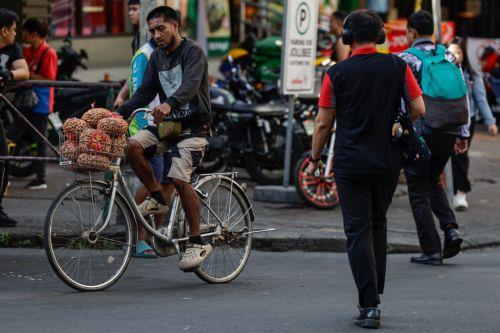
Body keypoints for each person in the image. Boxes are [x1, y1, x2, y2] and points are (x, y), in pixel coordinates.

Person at [306, 10, 424, 329]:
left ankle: (369, 304)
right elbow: (418, 108)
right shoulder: (398, 66)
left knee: (357, 230)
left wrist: (316, 158)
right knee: (378, 223)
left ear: (347, 37)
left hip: (350, 163)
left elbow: (322, 123)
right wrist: (400, 128)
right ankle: (376, 290)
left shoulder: (336, 73)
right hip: (388, 161)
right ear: (381, 36)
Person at [116, 6, 212, 270]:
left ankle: (196, 242)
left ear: (176, 26)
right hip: (170, 127)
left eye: (161, 28)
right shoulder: (157, 57)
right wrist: (116, 114)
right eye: (153, 30)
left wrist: (170, 104)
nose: (156, 35)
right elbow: (143, 93)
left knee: (180, 176)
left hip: (194, 127)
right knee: (133, 146)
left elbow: (190, 85)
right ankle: (158, 200)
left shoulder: (193, 52)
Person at [399, 10, 469, 266]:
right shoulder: (449, 56)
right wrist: (463, 132)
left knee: (418, 190)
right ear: (433, 33)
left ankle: (431, 250)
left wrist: (399, 131)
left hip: (421, 133)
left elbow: (401, 101)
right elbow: (464, 95)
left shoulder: (406, 58)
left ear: (412, 32)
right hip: (449, 130)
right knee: (433, 181)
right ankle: (451, 228)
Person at [6, 18, 57, 190]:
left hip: (41, 102)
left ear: (34, 34)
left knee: (40, 139)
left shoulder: (48, 52)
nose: (22, 35)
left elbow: (49, 78)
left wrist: (27, 74)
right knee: (11, 135)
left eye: (25, 32)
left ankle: (41, 178)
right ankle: (5, 173)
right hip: (26, 100)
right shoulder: (27, 51)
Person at [448, 38, 498, 211]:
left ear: (464, 55)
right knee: (445, 157)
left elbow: (481, 99)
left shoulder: (471, 75)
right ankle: (446, 192)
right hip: (444, 121)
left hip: (467, 122)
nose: (454, 55)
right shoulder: (441, 71)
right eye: (450, 52)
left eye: (458, 52)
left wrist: (490, 122)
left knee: (460, 156)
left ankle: (460, 193)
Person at [127, 37, 164, 258]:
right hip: (147, 126)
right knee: (153, 181)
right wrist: (143, 129)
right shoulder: (145, 55)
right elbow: (139, 91)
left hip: (166, 126)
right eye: (156, 29)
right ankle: (137, 238)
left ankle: (155, 235)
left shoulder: (164, 53)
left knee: (165, 181)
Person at [0, 8, 29, 227]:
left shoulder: (12, 48)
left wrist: (7, 74)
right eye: (13, 30)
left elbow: (24, 71)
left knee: (4, 158)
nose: (15, 34)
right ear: (3, 31)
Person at [114, 0, 142, 109]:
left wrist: (121, 96)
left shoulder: (149, 38)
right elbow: (134, 71)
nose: (130, 13)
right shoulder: (137, 37)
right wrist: (121, 96)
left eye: (134, 9)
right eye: (129, 9)